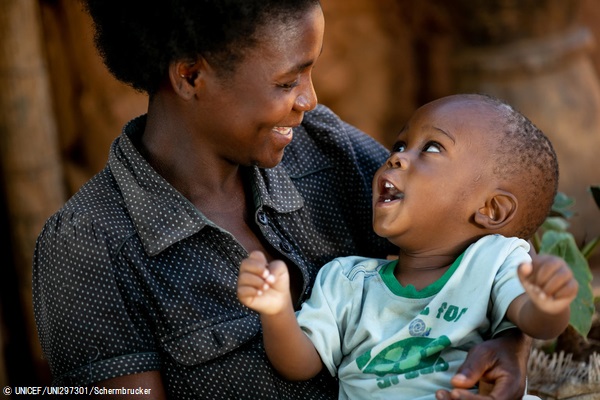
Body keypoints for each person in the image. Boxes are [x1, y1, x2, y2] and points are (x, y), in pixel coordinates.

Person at [33, 0, 538, 398]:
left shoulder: (324, 148)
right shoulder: (88, 248)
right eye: (287, 81)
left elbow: (473, 238)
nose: (310, 99)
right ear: (191, 76)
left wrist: (511, 344)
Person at [237, 94, 579, 399]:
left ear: (490, 210)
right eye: (400, 145)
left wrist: (549, 303)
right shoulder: (345, 281)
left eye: (431, 148)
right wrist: (276, 311)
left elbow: (536, 323)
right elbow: (299, 365)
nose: (396, 159)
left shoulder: (494, 263)